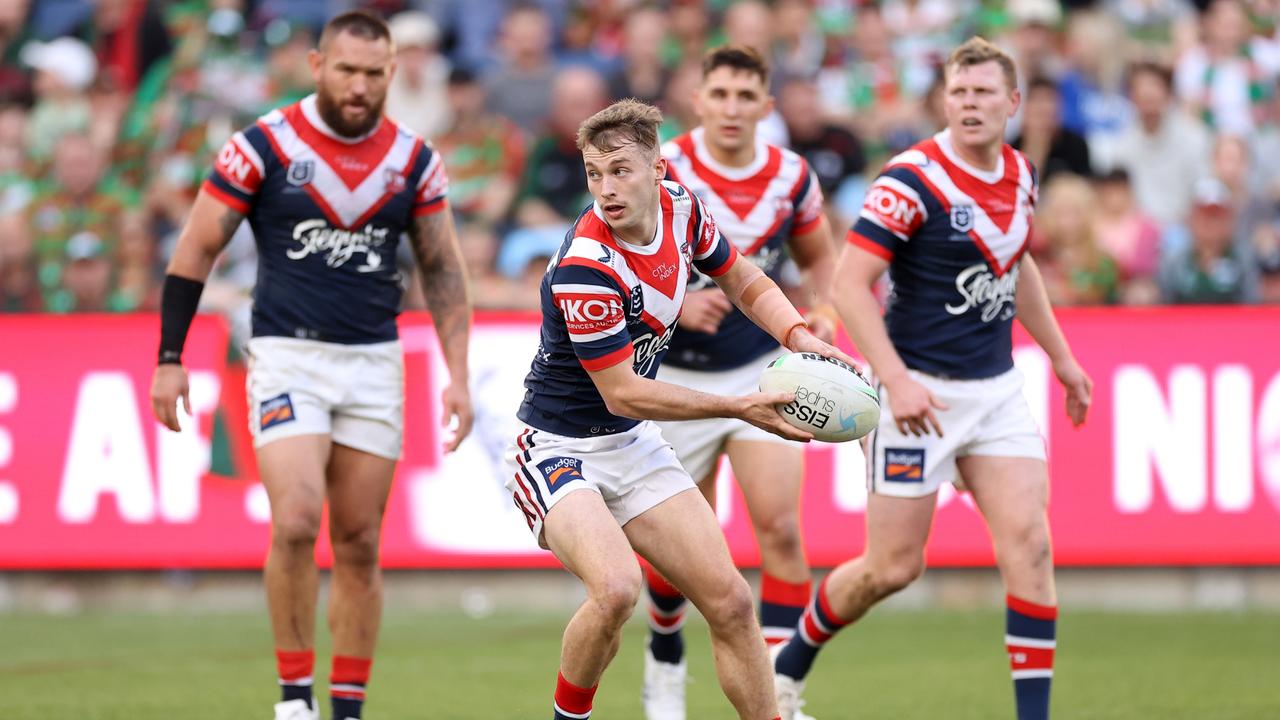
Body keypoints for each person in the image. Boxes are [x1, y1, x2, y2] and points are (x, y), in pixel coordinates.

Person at [148, 12, 473, 720]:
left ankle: (348, 708)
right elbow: (195, 249)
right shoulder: (261, 145)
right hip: (287, 354)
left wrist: (459, 373)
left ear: (392, 72)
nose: (360, 88)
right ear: (317, 65)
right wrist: (169, 358)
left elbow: (444, 270)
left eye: (375, 74)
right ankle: (294, 699)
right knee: (296, 520)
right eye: (348, 71)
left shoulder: (414, 159)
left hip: (374, 361)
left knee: (358, 541)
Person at [771, 37, 1093, 720]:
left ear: (1012, 102)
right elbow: (850, 285)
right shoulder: (911, 179)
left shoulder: (1021, 175)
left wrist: (1061, 359)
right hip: (916, 392)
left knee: (1031, 547)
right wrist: (895, 380)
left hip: (996, 391)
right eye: (959, 92)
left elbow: (1015, 263)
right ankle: (788, 663)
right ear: (944, 100)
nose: (970, 103)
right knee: (891, 568)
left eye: (984, 93)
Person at [506, 98, 855, 720]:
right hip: (559, 448)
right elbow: (626, 392)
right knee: (616, 589)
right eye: (593, 173)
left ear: (658, 169)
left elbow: (743, 279)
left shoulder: (682, 208)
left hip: (629, 443)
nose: (606, 189)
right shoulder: (588, 266)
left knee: (730, 603)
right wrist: (738, 407)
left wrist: (798, 335)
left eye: (620, 171)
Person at [639, 45, 838, 720]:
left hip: (762, 372)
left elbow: (819, 259)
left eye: (744, 96)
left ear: (766, 107)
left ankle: (779, 690)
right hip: (674, 379)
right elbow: (616, 257)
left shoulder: (791, 176)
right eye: (718, 94)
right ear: (698, 101)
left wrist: (827, 312)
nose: (730, 108)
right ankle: (665, 658)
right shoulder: (664, 170)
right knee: (676, 553)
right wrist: (672, 302)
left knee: (780, 530)